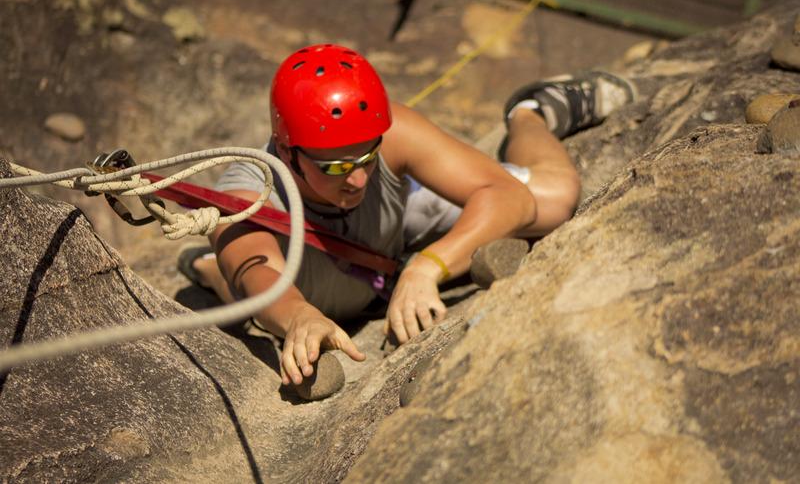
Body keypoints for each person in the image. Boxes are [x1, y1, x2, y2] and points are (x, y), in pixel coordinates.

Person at [181, 43, 635, 387]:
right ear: (287, 151)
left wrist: (428, 267)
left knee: (554, 197)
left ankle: (531, 112)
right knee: (238, 277)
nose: (357, 178)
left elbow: (509, 197)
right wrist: (299, 317)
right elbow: (261, 276)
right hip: (308, 265)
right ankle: (208, 269)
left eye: (367, 158)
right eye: (336, 166)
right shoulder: (249, 194)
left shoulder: (383, 131)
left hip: (392, 229)